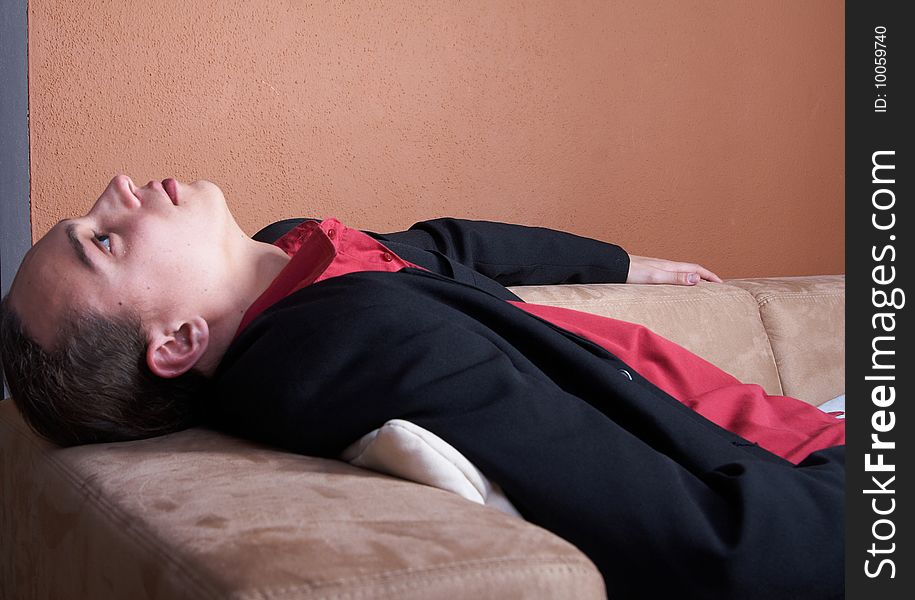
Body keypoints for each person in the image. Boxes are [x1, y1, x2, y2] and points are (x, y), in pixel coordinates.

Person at [0, 175, 844, 598]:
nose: (114, 190)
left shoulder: (292, 250)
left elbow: (448, 244)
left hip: (794, 420)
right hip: (806, 464)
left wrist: (629, 266)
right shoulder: (331, 348)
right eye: (104, 243)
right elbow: (692, 538)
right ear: (179, 343)